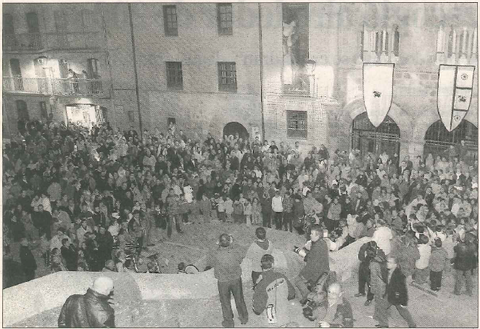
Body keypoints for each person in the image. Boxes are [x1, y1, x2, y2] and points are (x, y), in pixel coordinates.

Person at [205, 233, 248, 327]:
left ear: (219, 243)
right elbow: (241, 258)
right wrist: (233, 244)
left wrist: (216, 245)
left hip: (223, 280)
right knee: (239, 298)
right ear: (230, 242)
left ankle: (229, 322)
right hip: (236, 278)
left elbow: (210, 262)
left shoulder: (216, 253)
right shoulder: (235, 251)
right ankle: (244, 318)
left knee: (225, 302)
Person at [252, 254, 295, 326]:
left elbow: (258, 310)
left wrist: (256, 285)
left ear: (261, 266)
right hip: (285, 315)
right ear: (273, 264)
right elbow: (292, 294)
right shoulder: (281, 276)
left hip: (271, 320)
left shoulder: (260, 285)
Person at [375, 257, 417, 328]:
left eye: (390, 262)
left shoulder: (399, 275)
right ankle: (384, 325)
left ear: (395, 264)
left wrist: (404, 303)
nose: (387, 264)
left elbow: (403, 290)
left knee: (403, 311)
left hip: (398, 298)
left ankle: (412, 325)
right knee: (381, 306)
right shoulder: (389, 271)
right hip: (390, 294)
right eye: (387, 262)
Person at [295, 224, 330, 305]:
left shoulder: (316, 247)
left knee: (297, 280)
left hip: (317, 272)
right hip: (324, 269)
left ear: (317, 235)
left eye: (312, 234)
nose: (310, 235)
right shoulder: (323, 242)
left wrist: (303, 275)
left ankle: (307, 296)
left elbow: (311, 264)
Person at [453, 232, 476, 296]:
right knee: (468, 279)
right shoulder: (473, 246)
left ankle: (457, 291)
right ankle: (469, 291)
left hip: (460, 264)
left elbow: (455, 249)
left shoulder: (460, 245)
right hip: (468, 264)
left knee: (459, 278)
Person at [355, 240, 377, 306]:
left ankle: (370, 299)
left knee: (370, 284)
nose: (369, 251)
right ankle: (361, 292)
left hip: (371, 268)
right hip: (364, 265)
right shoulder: (365, 250)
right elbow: (361, 258)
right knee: (361, 279)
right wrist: (363, 248)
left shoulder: (376, 254)